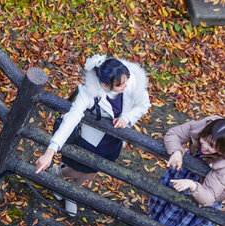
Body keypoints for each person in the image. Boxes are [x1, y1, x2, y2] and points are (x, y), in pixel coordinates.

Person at [33, 54, 151, 215]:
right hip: (90, 140)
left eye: (126, 80)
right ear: (105, 84)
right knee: (79, 169)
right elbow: (71, 118)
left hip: (113, 141)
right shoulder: (89, 92)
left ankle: (71, 193)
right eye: (119, 85)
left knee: (92, 173)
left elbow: (144, 104)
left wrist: (127, 117)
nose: (125, 86)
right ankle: (57, 173)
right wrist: (50, 151)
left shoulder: (130, 82)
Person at [147, 116, 225, 226]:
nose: (204, 146)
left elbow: (209, 196)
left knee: (187, 214)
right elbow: (174, 133)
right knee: (169, 201)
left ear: (222, 149)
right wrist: (176, 151)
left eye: (212, 146)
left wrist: (193, 186)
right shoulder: (204, 126)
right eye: (204, 139)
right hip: (190, 173)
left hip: (207, 190)